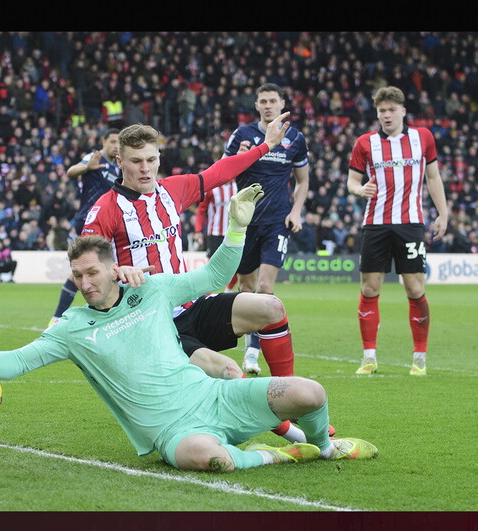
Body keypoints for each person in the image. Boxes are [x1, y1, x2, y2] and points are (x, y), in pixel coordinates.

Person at [0, 186, 377, 472]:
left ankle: (323, 447)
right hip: (174, 433)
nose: (84, 283)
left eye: (92, 273)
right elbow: (20, 360)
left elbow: (212, 277)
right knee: (213, 460)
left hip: (213, 397)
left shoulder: (151, 289)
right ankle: (282, 453)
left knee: (310, 393)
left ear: (113, 268)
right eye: (77, 276)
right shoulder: (73, 327)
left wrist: (236, 228)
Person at [81, 116, 324, 443]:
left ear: (159, 158)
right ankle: (296, 436)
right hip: (152, 326)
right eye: (136, 161)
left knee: (271, 307)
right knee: (229, 371)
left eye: (151, 159)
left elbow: (219, 172)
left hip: (190, 307)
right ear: (119, 161)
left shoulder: (172, 191)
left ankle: (290, 397)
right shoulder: (106, 209)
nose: (145, 168)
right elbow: (85, 266)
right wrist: (115, 273)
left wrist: (266, 145)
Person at [346, 86, 449, 376]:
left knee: (415, 288)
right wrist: (359, 189)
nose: (387, 115)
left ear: (403, 111)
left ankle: (420, 358)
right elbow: (351, 182)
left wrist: (443, 213)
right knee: (370, 288)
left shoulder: (423, 138)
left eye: (391, 110)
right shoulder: (365, 143)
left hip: (411, 224)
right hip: (375, 224)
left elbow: (433, 177)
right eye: (382, 111)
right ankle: (368, 357)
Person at [223, 83, 310, 376]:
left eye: (273, 100)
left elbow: (303, 180)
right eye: (263, 101)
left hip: (277, 222)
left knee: (264, 288)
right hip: (246, 221)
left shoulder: (295, 138)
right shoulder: (242, 135)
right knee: (246, 288)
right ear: (257, 105)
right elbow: (222, 171)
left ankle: (252, 353)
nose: (268, 105)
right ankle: (245, 341)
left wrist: (296, 211)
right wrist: (238, 157)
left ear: (282, 104)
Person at [48, 128, 121, 325]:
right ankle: (57, 317)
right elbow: (71, 171)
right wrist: (87, 167)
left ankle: (106, 313)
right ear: (103, 142)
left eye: (118, 142)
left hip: (109, 223)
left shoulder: (117, 168)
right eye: (112, 141)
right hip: (90, 219)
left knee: (107, 269)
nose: (116, 146)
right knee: (89, 269)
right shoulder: (94, 158)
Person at [192, 179, 240, 292]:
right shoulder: (212, 189)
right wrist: (198, 230)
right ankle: (207, 295)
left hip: (233, 233)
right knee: (212, 268)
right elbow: (201, 209)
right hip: (215, 234)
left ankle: (228, 292)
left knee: (236, 267)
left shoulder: (238, 186)